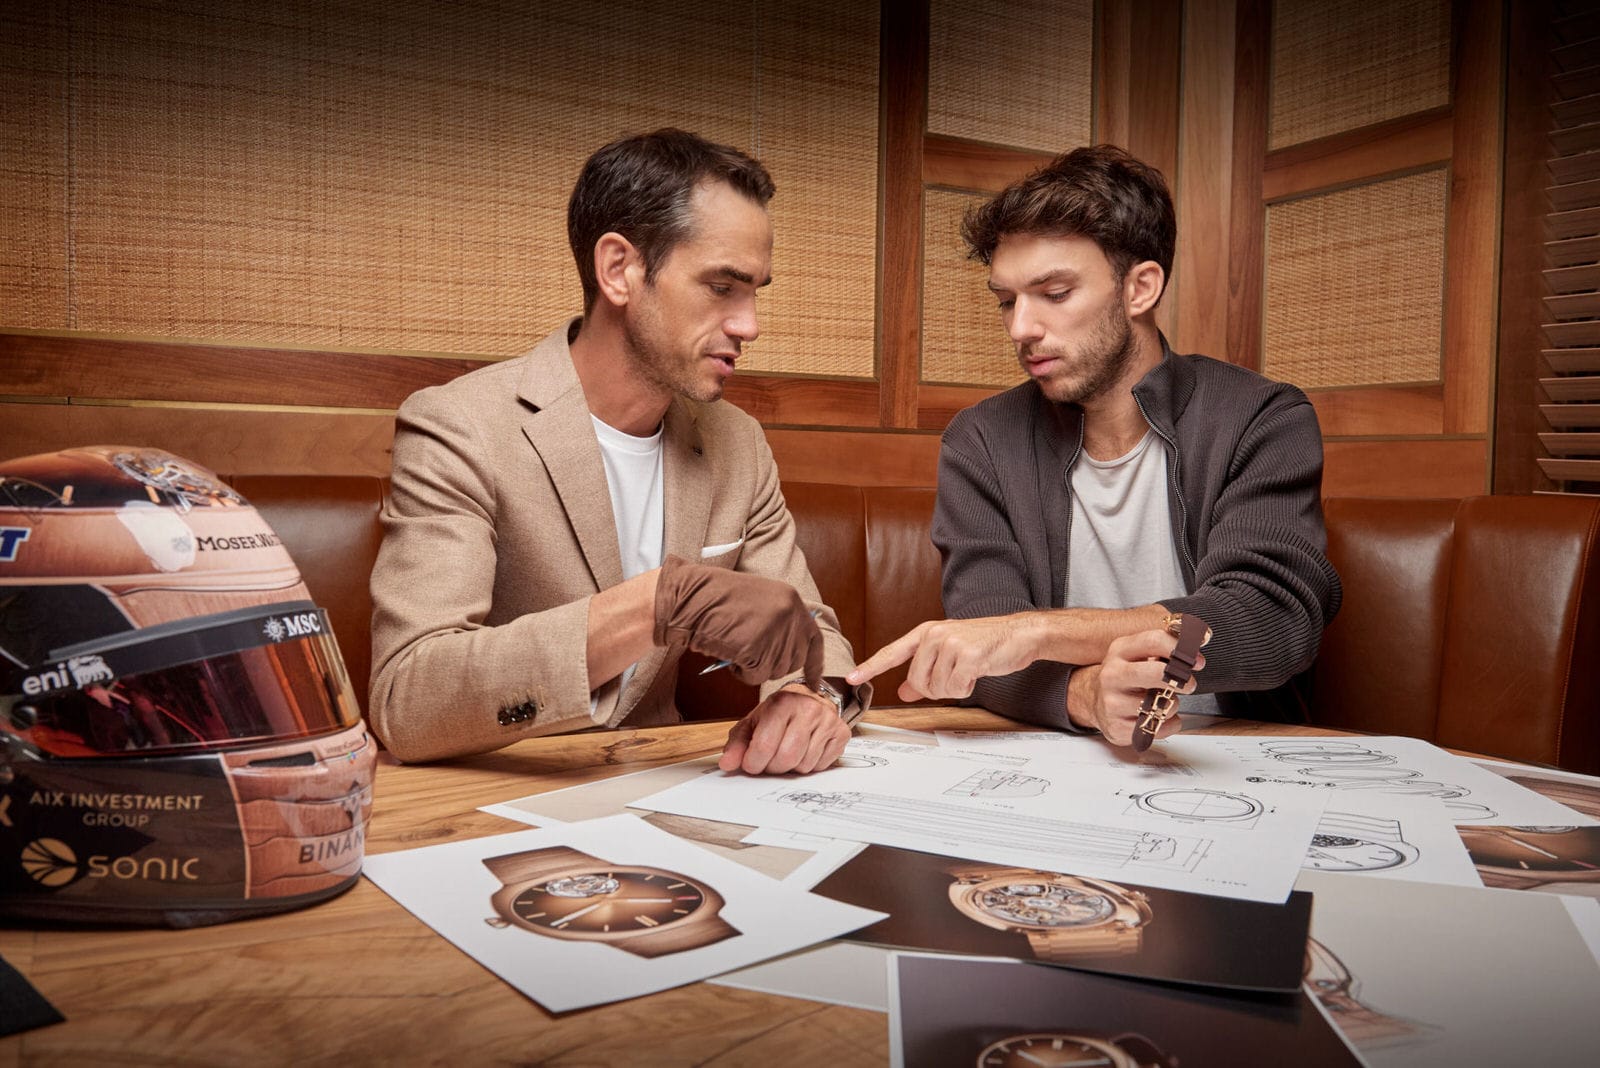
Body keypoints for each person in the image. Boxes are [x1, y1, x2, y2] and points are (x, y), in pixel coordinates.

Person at [369, 129, 866, 772]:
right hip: (505, 792)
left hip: (670, 789)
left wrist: (812, 697)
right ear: (618, 270)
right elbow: (408, 698)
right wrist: (657, 604)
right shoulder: (460, 427)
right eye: (722, 287)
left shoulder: (737, 443)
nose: (750, 325)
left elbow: (810, 630)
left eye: (755, 292)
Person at [848, 145, 1341, 748]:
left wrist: (1036, 632)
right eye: (1006, 301)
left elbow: (1270, 620)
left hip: (1240, 755)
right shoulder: (982, 440)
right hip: (1059, 755)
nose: (1021, 328)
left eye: (1054, 293)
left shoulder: (1260, 417)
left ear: (1140, 288)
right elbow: (980, 644)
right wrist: (1082, 694)